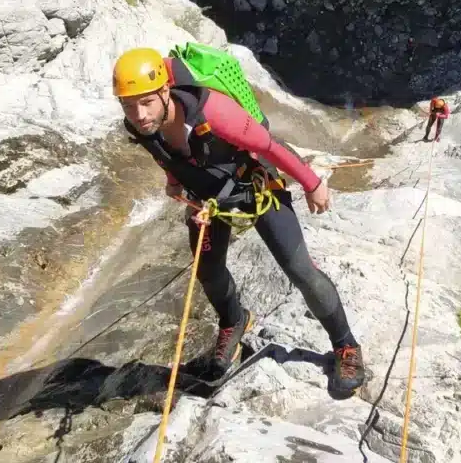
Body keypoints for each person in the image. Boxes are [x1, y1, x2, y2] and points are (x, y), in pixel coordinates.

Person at [113, 47, 366, 397]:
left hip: (255, 187)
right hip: (209, 200)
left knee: (299, 269)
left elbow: (270, 147)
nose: (138, 114)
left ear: (165, 91)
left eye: (145, 103)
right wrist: (174, 181)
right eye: (129, 105)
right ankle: (234, 322)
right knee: (208, 269)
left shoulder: (214, 113)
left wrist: (312, 184)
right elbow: (161, 152)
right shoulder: (140, 124)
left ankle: (346, 345)